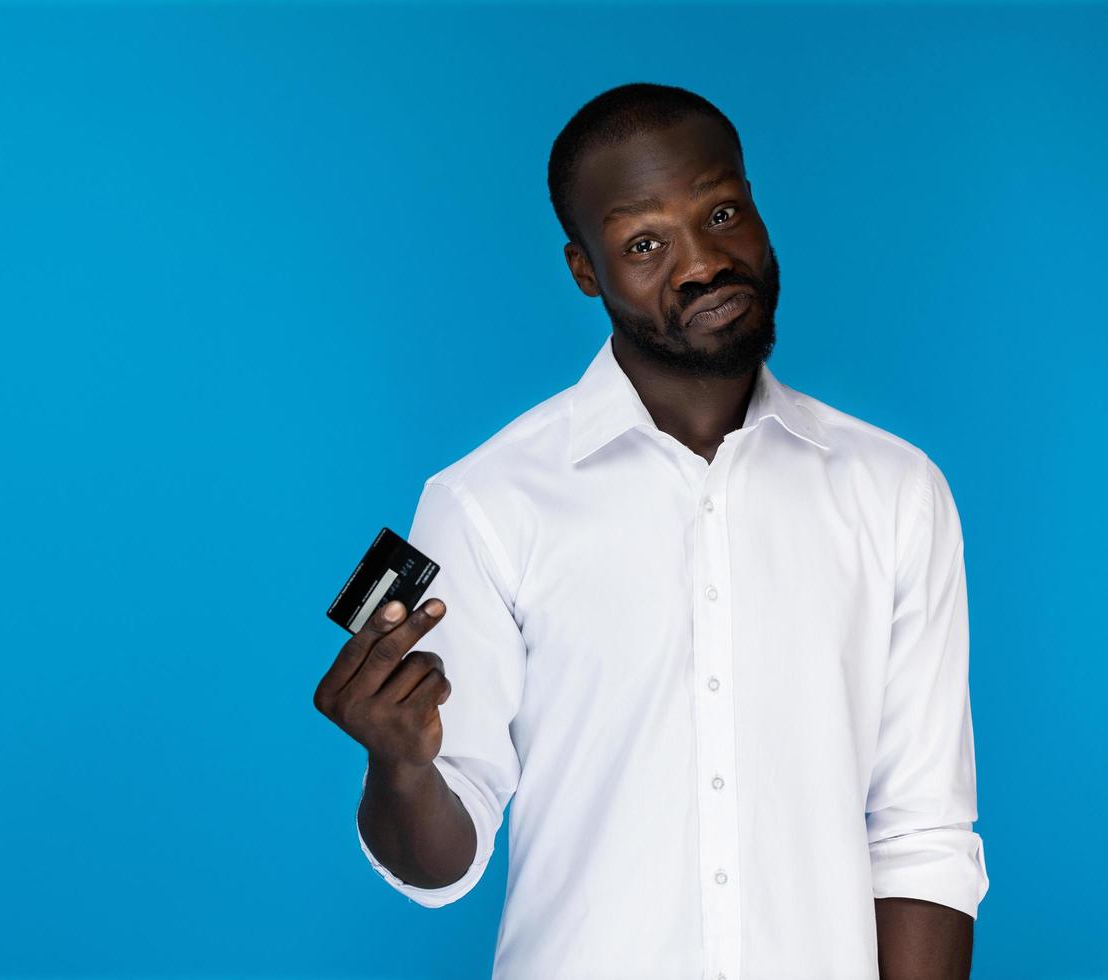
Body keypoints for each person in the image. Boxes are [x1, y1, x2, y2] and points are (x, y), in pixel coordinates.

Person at [313, 81, 989, 980]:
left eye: (721, 213)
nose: (702, 262)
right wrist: (397, 767)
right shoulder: (485, 503)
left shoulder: (896, 491)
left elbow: (922, 834)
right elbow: (444, 859)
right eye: (643, 243)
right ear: (585, 270)